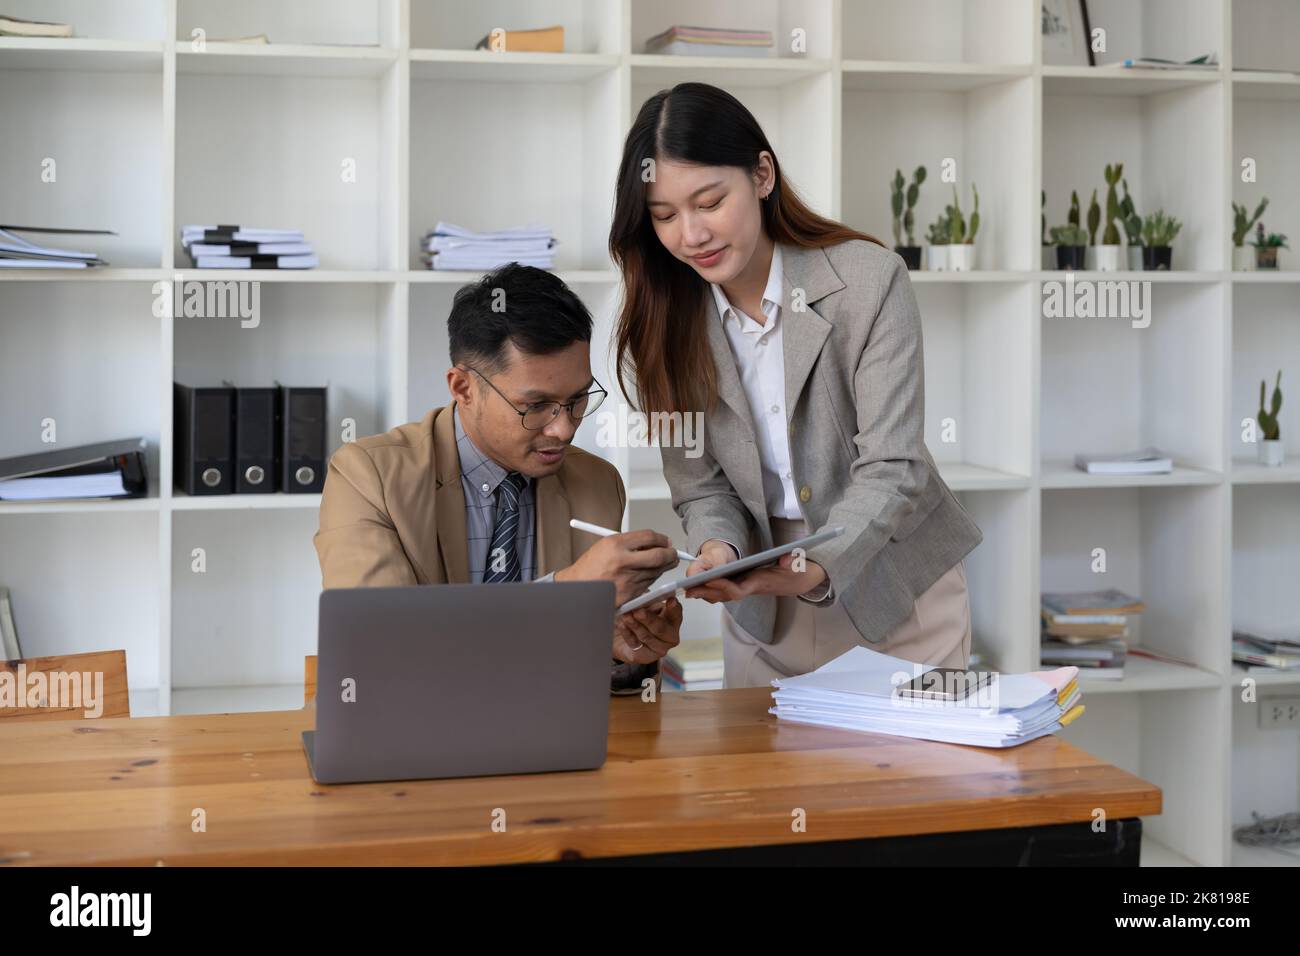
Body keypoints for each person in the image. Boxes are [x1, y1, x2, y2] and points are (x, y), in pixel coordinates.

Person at [608, 82, 983, 688]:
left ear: (761, 175)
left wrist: (815, 567)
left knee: (907, 783)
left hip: (893, 584)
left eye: (709, 202)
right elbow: (700, 485)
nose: (691, 235)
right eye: (665, 216)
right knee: (768, 781)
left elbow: (895, 466)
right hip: (765, 607)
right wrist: (720, 552)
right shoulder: (669, 319)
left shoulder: (868, 280)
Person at [314, 263, 682, 694]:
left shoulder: (597, 482)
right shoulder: (367, 475)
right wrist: (569, 595)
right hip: (412, 738)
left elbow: (590, 683)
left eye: (578, 400)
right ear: (463, 388)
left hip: (551, 736)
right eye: (536, 404)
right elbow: (382, 646)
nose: (563, 428)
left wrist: (622, 654)